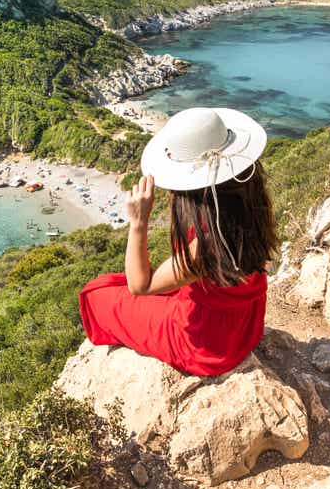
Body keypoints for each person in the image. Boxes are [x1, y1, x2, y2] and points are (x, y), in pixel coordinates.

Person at [78, 107, 277, 376]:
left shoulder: (207, 246)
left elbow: (141, 285)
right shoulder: (253, 207)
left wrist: (139, 222)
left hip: (207, 345)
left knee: (97, 294)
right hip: (244, 327)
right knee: (121, 283)